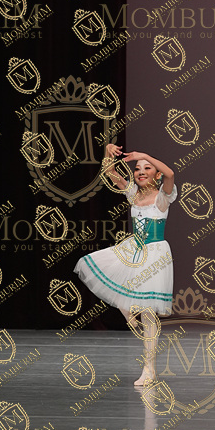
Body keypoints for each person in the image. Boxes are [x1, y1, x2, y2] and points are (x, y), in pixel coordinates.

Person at [74, 143, 177, 386]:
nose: (140, 171)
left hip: (154, 254)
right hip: (133, 250)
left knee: (149, 314)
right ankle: (129, 313)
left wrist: (145, 154)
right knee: (93, 267)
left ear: (156, 174)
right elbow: (110, 172)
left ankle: (149, 369)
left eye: (147, 168)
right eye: (137, 168)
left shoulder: (163, 196)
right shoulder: (133, 194)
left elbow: (171, 173)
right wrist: (107, 153)